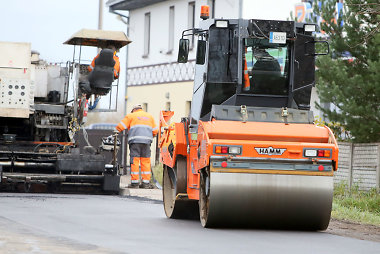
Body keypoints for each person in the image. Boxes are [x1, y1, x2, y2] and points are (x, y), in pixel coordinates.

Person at [115, 104, 158, 188]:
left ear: (134, 110)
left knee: (135, 161)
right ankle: (146, 183)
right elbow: (155, 131)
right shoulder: (149, 116)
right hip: (146, 142)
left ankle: (135, 183)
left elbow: (121, 126)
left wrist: (116, 131)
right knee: (145, 161)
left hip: (135, 142)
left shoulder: (131, 116)